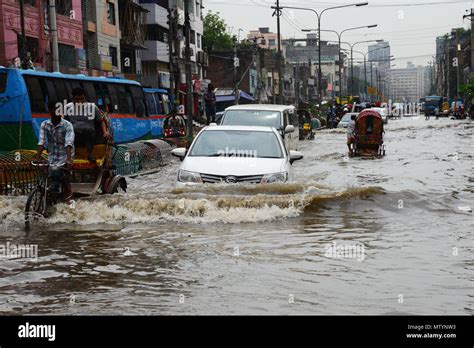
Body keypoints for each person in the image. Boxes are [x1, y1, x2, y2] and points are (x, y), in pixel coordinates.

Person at [36, 101, 75, 202]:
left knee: (56, 171)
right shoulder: (44, 124)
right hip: (52, 154)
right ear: (50, 110)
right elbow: (41, 141)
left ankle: (67, 189)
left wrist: (69, 159)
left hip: (65, 154)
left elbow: (68, 143)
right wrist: (37, 157)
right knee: (44, 173)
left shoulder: (67, 125)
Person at [65, 87, 111, 162]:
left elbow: (101, 121)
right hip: (74, 136)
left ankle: (89, 154)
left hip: (89, 136)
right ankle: (68, 157)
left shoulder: (92, 107)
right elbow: (64, 123)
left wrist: (105, 132)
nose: (80, 102)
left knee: (87, 130)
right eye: (77, 100)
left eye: (82, 99)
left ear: (85, 98)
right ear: (72, 98)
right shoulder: (67, 107)